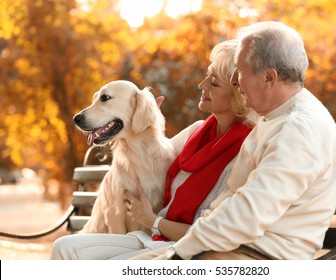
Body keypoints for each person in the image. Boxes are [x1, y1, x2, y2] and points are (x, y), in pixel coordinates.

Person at [130, 21, 336, 260]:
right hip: (229, 248)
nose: (234, 80)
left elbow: (247, 215)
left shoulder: (298, 129)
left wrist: (178, 253)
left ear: (269, 77)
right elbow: (231, 200)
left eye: (240, 71)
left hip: (259, 258)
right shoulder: (274, 118)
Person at [50, 39, 256, 260]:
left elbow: (212, 232)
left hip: (184, 246)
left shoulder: (245, 151)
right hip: (153, 237)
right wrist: (142, 111)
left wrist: (152, 220)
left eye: (213, 82)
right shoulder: (196, 131)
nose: (202, 85)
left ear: (238, 93)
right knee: (62, 247)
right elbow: (153, 153)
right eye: (207, 76)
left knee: (105, 264)